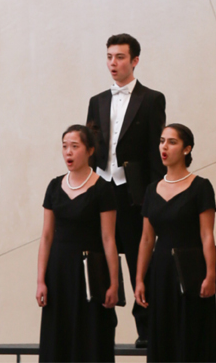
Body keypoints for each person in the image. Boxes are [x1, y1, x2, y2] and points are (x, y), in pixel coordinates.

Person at [85, 34, 167, 346]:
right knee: (99, 257)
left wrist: (154, 194)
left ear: (134, 60)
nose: (113, 63)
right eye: (109, 57)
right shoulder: (97, 100)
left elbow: (154, 150)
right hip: (100, 189)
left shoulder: (151, 98)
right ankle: (100, 325)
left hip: (132, 191)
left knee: (138, 259)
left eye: (119, 57)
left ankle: (147, 328)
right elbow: (90, 149)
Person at [133, 124, 216, 362]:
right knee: (163, 332)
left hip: (191, 269)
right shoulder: (152, 190)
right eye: (162, 141)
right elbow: (146, 239)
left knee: (192, 334)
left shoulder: (201, 186)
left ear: (186, 149)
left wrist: (211, 274)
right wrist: (140, 278)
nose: (164, 147)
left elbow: (207, 235)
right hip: (161, 270)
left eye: (172, 142)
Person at [36, 125, 121, 362]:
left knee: (91, 336)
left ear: (90, 150)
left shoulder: (103, 189)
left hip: (91, 274)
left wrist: (114, 284)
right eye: (64, 147)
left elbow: (108, 238)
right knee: (58, 337)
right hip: (59, 272)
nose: (68, 153)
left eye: (75, 147)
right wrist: (41, 280)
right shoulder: (54, 186)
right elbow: (46, 236)